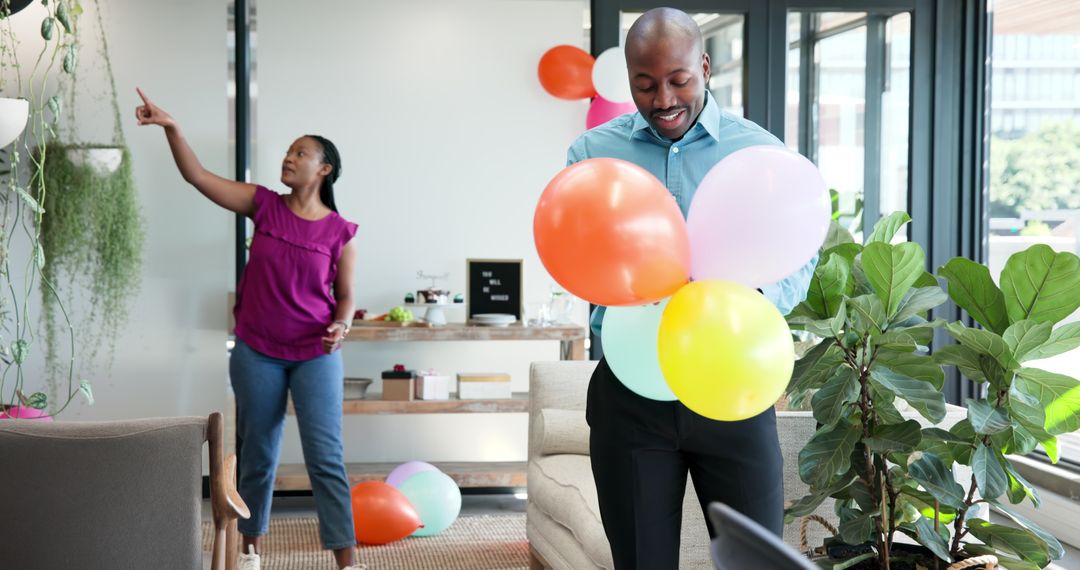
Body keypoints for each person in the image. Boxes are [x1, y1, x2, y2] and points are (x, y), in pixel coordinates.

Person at [567, 8, 818, 569]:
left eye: (678, 80)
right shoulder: (590, 158)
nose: (662, 99)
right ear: (626, 78)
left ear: (705, 66)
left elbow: (800, 259)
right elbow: (579, 256)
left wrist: (747, 305)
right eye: (645, 84)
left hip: (733, 391)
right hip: (630, 395)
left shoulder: (760, 154)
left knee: (758, 560)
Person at [135, 88, 364, 570]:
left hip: (314, 353)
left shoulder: (340, 232)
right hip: (257, 351)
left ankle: (347, 561)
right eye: (288, 150)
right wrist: (173, 128)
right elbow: (197, 177)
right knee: (258, 452)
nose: (289, 157)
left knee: (326, 460)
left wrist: (341, 324)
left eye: (301, 152)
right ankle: (251, 550)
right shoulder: (263, 205)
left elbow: (345, 296)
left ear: (323, 169)